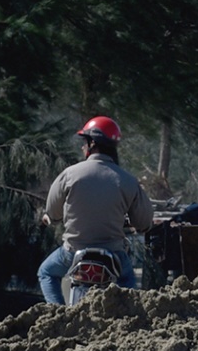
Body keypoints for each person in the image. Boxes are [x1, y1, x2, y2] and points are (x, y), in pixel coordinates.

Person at [37, 116, 154, 304]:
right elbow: (144, 222)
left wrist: (48, 218)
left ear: (92, 143)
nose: (82, 147)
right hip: (113, 254)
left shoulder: (70, 174)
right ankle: (130, 320)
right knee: (128, 285)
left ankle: (56, 313)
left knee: (46, 272)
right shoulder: (127, 180)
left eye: (84, 142)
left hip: (73, 251)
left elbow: (53, 213)